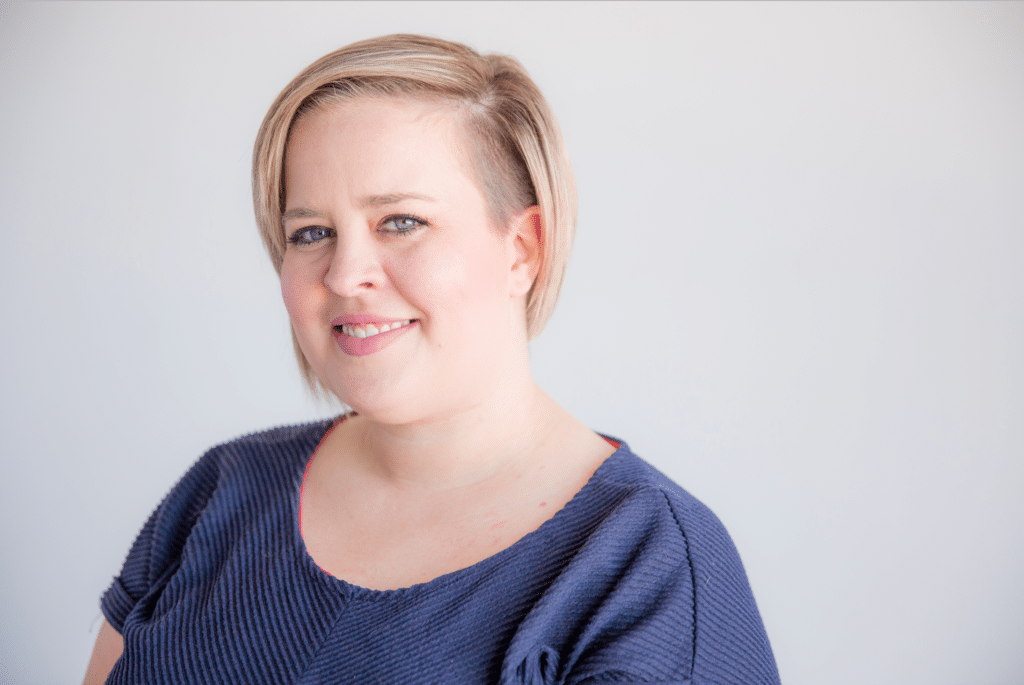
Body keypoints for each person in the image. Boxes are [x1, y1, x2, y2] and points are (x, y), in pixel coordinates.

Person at [83, 34, 780, 684]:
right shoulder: (218, 493)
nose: (345, 271)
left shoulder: (644, 565)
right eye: (312, 231)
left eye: (402, 221)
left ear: (523, 248)